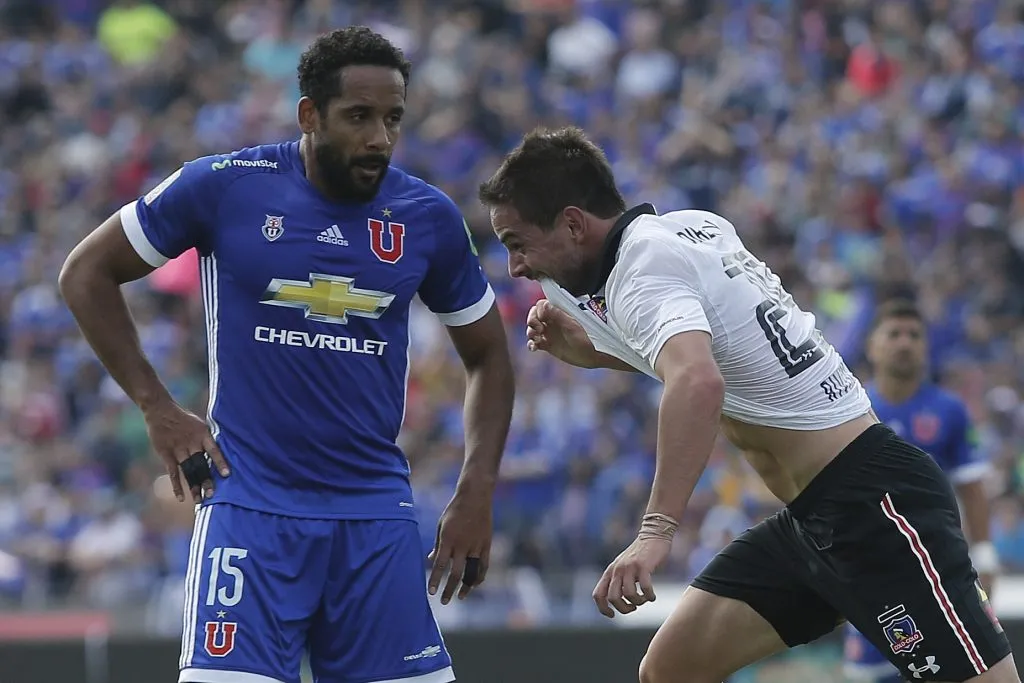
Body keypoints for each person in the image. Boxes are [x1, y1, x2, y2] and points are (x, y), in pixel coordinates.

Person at [478, 126, 1016, 683]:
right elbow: (714, 355)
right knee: (670, 670)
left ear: (572, 223)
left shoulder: (642, 267)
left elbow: (698, 382)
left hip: (874, 504)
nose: (515, 267)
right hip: (814, 520)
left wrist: (656, 530)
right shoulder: (690, 228)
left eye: (517, 243)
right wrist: (594, 351)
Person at [59, 27, 514, 683]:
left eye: (392, 118)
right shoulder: (223, 186)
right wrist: (157, 407)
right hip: (250, 507)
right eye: (358, 117)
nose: (379, 138)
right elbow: (85, 273)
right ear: (309, 114)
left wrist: (476, 489)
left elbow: (489, 355)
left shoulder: (427, 216)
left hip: (374, 516)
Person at [844, 299, 1000, 683]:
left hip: (939, 569)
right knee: (872, 673)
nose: (905, 342)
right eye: (894, 334)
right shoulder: (849, 409)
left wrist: (984, 552)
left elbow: (972, 485)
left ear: (926, 347)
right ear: (872, 346)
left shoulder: (950, 410)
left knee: (954, 668)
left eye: (914, 335)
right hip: (870, 571)